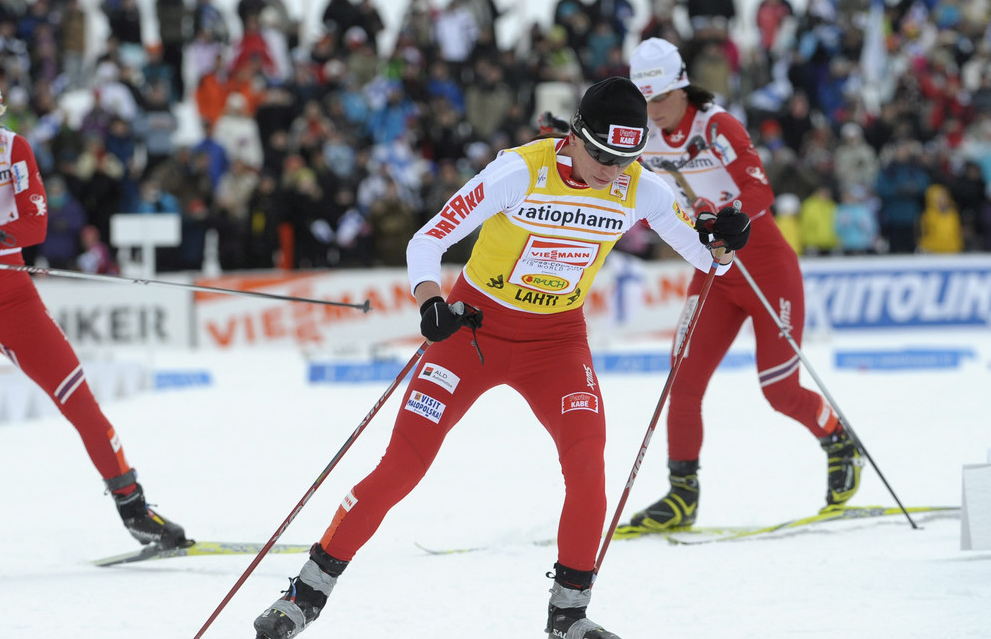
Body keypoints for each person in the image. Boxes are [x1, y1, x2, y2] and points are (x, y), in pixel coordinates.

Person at [252, 77, 750, 639]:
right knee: (402, 467)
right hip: (473, 333)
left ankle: (568, 617)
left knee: (588, 470)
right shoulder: (520, 171)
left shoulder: (638, 187)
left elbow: (711, 262)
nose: (614, 171)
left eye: (628, 158)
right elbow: (425, 241)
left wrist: (724, 238)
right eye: (605, 156)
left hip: (558, 342)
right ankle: (303, 597)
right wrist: (431, 301)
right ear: (576, 136)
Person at [0, 59, 187, 581]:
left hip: (16, 301)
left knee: (81, 404)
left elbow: (36, 222)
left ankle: (136, 513)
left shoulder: (12, 148)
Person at [626, 38, 863, 533]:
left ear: (682, 86)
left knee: (778, 389)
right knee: (682, 380)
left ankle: (839, 440)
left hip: (763, 265)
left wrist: (729, 217)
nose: (655, 111)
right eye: (645, 100)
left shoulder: (715, 124)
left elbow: (760, 189)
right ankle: (682, 494)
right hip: (713, 269)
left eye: (661, 98)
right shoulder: (643, 133)